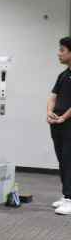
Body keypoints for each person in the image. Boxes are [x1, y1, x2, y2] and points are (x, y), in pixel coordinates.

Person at [49, 37, 71, 215]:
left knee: (69, 159)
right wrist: (49, 112)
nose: (59, 53)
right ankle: (66, 195)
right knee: (62, 160)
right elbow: (53, 96)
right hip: (57, 124)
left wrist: (64, 117)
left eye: (62, 50)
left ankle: (70, 199)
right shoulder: (63, 75)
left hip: (68, 123)